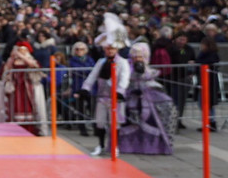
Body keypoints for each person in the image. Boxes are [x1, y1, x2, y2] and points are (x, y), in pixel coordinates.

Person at [81, 14, 132, 156]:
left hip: (116, 97)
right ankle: (100, 145)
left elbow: (125, 77)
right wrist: (86, 88)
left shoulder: (122, 62)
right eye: (107, 48)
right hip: (102, 97)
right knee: (100, 122)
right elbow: (92, 76)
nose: (109, 51)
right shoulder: (101, 62)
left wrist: (121, 91)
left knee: (115, 123)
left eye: (112, 49)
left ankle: (115, 146)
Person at [118, 42, 176, 155]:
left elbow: (150, 80)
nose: (136, 59)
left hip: (148, 96)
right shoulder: (127, 69)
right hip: (130, 96)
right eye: (134, 56)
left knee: (165, 107)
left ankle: (156, 146)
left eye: (139, 56)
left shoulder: (149, 71)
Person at [0, 43, 48, 133]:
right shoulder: (12, 60)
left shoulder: (30, 60)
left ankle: (29, 128)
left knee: (29, 108)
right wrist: (13, 57)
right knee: (14, 107)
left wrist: (22, 56)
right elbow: (5, 70)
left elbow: (34, 66)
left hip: (27, 88)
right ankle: (13, 129)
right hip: (15, 88)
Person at [67, 42, 97, 135]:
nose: (79, 51)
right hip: (78, 87)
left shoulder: (90, 59)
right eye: (77, 49)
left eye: (82, 49)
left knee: (93, 109)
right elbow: (78, 69)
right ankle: (82, 129)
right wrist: (87, 70)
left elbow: (94, 70)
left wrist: (87, 70)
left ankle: (96, 128)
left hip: (91, 87)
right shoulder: (73, 60)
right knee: (80, 110)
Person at [196, 37, 221, 131]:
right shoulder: (204, 53)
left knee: (207, 103)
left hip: (209, 82)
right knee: (204, 103)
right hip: (204, 81)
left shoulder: (212, 55)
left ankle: (210, 122)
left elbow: (207, 63)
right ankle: (209, 122)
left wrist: (196, 62)